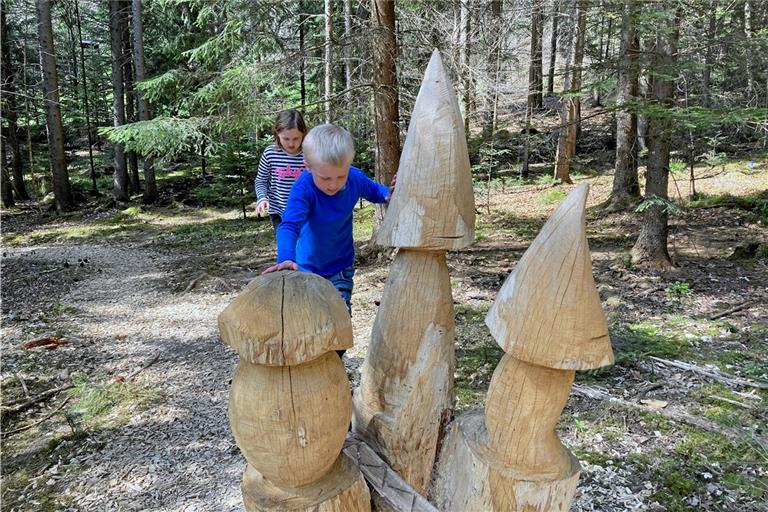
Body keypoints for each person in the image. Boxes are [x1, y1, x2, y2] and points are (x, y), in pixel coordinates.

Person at [261, 123, 395, 316]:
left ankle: (338, 347)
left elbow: (375, 191)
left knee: (338, 316)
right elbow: (289, 226)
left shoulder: (354, 178)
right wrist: (286, 258)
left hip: (341, 266)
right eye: (325, 178)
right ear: (308, 167)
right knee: (308, 319)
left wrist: (387, 195)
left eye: (341, 176)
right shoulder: (304, 188)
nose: (334, 185)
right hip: (306, 267)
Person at [254, 109, 308, 233]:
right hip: (278, 212)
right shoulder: (270, 153)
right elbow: (261, 180)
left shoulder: (309, 153)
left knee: (305, 248)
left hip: (305, 211)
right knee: (287, 247)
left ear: (303, 134)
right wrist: (262, 198)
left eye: (296, 138)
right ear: (277, 133)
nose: (291, 144)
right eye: (286, 138)